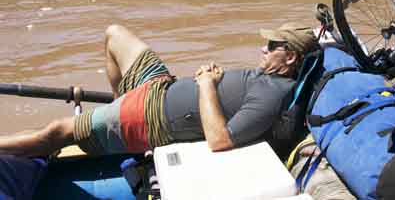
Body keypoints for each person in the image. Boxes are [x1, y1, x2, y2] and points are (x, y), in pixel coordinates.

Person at [0, 22, 320, 158]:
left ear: (291, 57)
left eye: (272, 46)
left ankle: (117, 124)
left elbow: (220, 140)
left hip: (152, 116)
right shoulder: (270, 76)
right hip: (159, 85)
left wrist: (207, 84)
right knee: (114, 33)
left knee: (56, 132)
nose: (263, 48)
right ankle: (117, 109)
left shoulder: (274, 94)